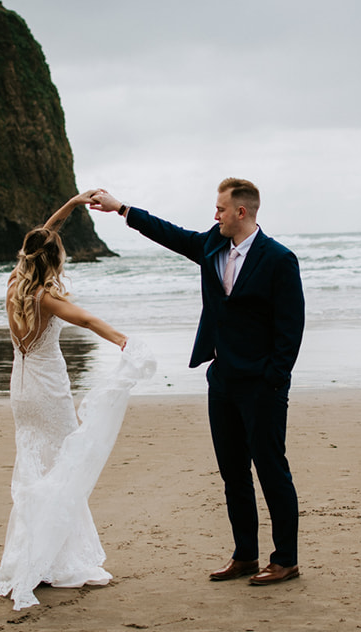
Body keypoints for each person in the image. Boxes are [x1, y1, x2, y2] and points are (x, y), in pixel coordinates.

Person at [89, 178, 305, 585]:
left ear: (241, 212)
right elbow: (170, 234)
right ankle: (245, 556)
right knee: (233, 473)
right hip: (221, 380)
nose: (215, 215)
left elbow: (291, 328)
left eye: (221, 209)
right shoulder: (211, 246)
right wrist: (121, 209)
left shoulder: (278, 259)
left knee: (272, 471)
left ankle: (285, 559)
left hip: (262, 386)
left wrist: (274, 378)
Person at [0, 192, 154, 611]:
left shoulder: (15, 283)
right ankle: (51, 561)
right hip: (49, 392)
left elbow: (43, 236)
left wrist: (73, 204)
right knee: (64, 468)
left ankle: (34, 556)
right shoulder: (47, 298)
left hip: (22, 391)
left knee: (34, 471)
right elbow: (85, 318)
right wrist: (124, 341)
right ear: (53, 261)